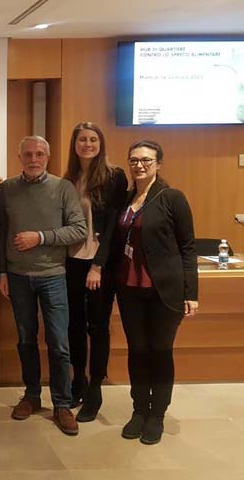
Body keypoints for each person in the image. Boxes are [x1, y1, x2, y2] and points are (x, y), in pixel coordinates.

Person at [0, 135, 87, 436]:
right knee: (26, 340)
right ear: (19, 157)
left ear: (47, 157)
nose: (33, 159)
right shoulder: (7, 189)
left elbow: (79, 229)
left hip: (53, 276)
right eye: (28, 154)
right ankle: (32, 396)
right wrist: (2, 272)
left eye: (39, 154)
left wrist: (41, 237)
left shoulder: (63, 188)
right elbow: (1, 232)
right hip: (17, 277)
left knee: (59, 343)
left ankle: (62, 403)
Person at [113, 140, 198, 445]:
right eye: (134, 160)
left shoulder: (172, 198)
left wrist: (191, 293)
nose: (139, 165)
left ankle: (157, 415)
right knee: (137, 351)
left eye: (146, 160)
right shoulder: (125, 199)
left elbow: (188, 247)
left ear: (158, 164)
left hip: (165, 292)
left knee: (160, 351)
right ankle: (139, 410)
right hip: (130, 290)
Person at [62, 122, 128, 421]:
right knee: (74, 326)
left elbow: (113, 226)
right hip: (72, 262)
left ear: (100, 144)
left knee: (98, 327)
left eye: (93, 139)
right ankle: (78, 379)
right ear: (74, 145)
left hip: (99, 265)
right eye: (82, 139)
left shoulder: (114, 176)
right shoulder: (69, 178)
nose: (87, 144)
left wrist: (98, 266)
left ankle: (95, 390)